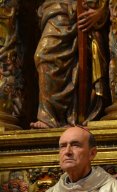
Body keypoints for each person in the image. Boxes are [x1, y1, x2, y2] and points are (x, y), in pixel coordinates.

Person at [30, 0, 109, 129]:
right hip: (57, 9)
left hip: (88, 9)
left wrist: (102, 11)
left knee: (85, 63)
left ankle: (78, 115)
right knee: (43, 56)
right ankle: (50, 115)